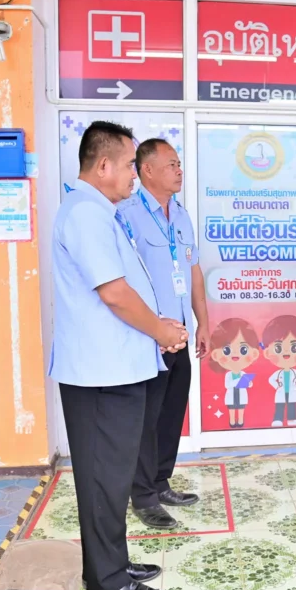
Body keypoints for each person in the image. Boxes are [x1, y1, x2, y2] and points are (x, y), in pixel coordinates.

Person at [49, 121, 188, 590]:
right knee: (103, 479)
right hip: (100, 375)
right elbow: (113, 292)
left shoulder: (97, 211)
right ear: (104, 164)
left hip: (114, 370)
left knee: (111, 476)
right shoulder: (86, 213)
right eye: (130, 164)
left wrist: (159, 324)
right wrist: (161, 332)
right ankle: (107, 579)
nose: (133, 174)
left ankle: (111, 562)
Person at [119, 138, 207, 530]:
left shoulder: (182, 216)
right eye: (172, 164)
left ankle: (160, 482)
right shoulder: (127, 215)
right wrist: (154, 329)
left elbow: (193, 271)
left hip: (179, 335)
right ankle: (143, 496)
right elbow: (120, 282)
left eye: (179, 163)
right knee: (146, 419)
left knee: (171, 414)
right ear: (147, 170)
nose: (179, 170)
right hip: (147, 337)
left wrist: (204, 322)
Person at [207, 318, 260, 428]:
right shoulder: (228, 375)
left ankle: (240, 422)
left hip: (241, 396)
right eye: (227, 350)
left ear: (254, 354)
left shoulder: (243, 374)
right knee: (231, 409)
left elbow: (248, 384)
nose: (235, 353)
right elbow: (228, 385)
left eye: (243, 350)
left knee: (240, 409)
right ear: (216, 355)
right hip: (231, 395)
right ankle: (232, 422)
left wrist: (249, 383)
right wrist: (239, 381)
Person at [262, 315, 296, 427]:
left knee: (291, 406)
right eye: (278, 348)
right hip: (281, 391)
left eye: (294, 348)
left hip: (291, 392)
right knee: (280, 406)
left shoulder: (294, 373)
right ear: (267, 353)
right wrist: (277, 386)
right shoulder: (278, 373)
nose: (286, 351)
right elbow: (271, 380)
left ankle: (292, 419)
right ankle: (278, 419)